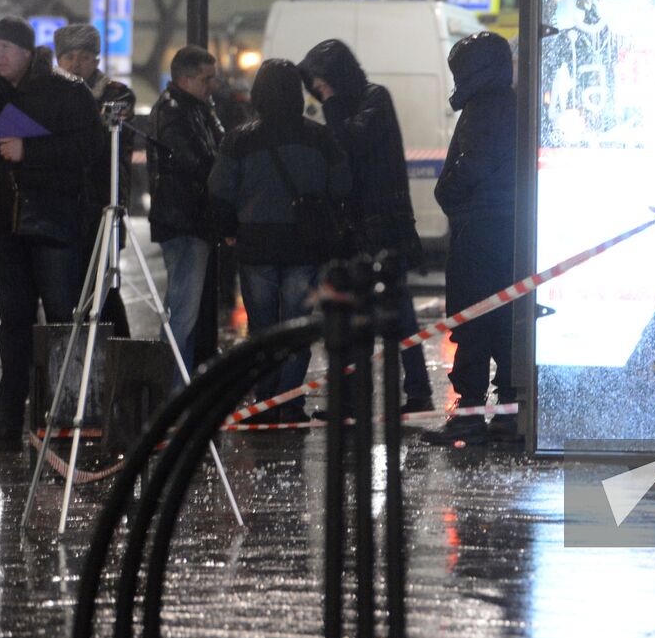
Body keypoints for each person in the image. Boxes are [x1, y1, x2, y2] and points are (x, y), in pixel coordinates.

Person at [0, 16, 101, 444]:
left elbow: (87, 149)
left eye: (7, 49)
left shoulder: (65, 90)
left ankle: (68, 415)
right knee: (13, 322)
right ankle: (9, 418)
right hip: (8, 221)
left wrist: (29, 151)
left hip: (53, 219)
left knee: (60, 320)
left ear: (29, 53)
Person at [208, 59, 350, 423]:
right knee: (297, 327)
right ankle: (288, 402)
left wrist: (228, 229)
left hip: (255, 245)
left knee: (262, 330)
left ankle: (264, 402)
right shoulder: (319, 137)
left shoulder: (240, 138)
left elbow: (219, 191)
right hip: (305, 245)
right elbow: (342, 187)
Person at [298, 38, 433, 415]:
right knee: (353, 314)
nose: (319, 90)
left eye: (323, 81)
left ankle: (417, 391)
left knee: (399, 312)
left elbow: (351, 142)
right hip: (355, 226)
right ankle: (355, 398)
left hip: (384, 224)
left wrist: (332, 103)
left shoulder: (375, 98)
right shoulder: (344, 104)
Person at [425, 32, 518, 447]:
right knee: (503, 320)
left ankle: (470, 413)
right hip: (504, 230)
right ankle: (508, 410)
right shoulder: (508, 104)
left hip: (479, 231)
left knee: (474, 319)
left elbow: (473, 164)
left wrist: (447, 191)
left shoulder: (484, 109)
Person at [54, 22, 135, 338]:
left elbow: (102, 145)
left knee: (105, 292)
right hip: (62, 208)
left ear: (96, 60)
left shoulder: (117, 94)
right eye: (68, 56)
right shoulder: (50, 94)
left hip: (103, 205)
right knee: (65, 295)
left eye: (83, 56)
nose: (75, 64)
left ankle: (120, 361)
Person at [147, 45, 223, 380]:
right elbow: (197, 160)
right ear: (186, 79)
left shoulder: (192, 107)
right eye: (207, 79)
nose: (212, 86)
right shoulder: (177, 112)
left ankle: (180, 383)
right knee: (183, 312)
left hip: (188, 219)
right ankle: (173, 389)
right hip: (185, 221)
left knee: (184, 310)